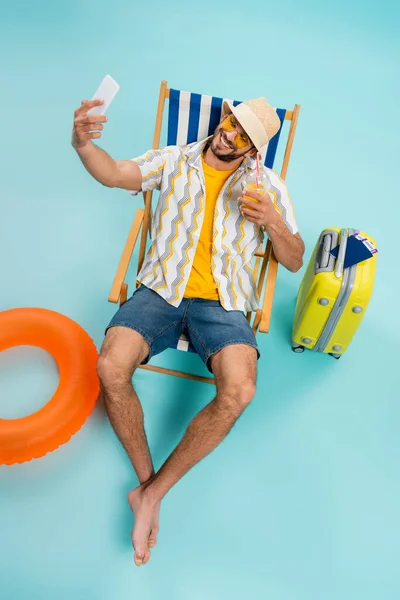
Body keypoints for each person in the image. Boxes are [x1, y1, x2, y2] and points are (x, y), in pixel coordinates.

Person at [71, 94, 305, 566]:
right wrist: (81, 144)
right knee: (111, 366)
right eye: (230, 122)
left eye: (243, 136)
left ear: (252, 150)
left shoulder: (268, 186)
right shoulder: (174, 159)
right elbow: (114, 173)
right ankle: (147, 485)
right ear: (224, 117)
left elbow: (294, 259)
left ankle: (153, 494)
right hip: (161, 290)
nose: (230, 134)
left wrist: (274, 223)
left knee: (239, 391)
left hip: (223, 302)